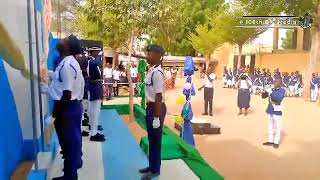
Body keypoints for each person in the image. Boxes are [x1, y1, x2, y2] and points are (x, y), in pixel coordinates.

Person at [49, 35, 84, 180]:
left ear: (67, 47)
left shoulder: (68, 65)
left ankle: (70, 176)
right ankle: (74, 165)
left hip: (67, 107)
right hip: (70, 106)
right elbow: (59, 78)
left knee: (69, 143)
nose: (60, 41)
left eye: (64, 40)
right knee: (71, 141)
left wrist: (56, 114)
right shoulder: (66, 63)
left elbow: (67, 94)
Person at [138, 45, 167, 180]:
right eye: (147, 53)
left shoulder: (158, 73)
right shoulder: (151, 70)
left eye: (150, 54)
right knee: (151, 139)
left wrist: (156, 117)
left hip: (157, 109)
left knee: (156, 140)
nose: (148, 56)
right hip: (151, 108)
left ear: (158, 56)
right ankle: (151, 166)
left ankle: (155, 170)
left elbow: (159, 96)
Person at [87, 47, 105, 142]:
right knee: (95, 110)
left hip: (96, 85)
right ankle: (93, 133)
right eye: (97, 51)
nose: (98, 53)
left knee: (95, 110)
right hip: (94, 86)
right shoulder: (92, 61)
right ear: (93, 52)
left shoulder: (93, 61)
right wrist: (101, 58)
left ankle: (94, 130)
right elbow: (98, 64)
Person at [262, 78, 286, 149]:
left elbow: (277, 99)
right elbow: (263, 97)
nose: (274, 83)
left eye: (276, 82)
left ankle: (276, 142)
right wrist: (264, 91)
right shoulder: (272, 89)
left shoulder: (282, 90)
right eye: (274, 82)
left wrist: (270, 93)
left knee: (277, 127)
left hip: (277, 111)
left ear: (280, 83)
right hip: (270, 110)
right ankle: (270, 141)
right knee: (270, 126)